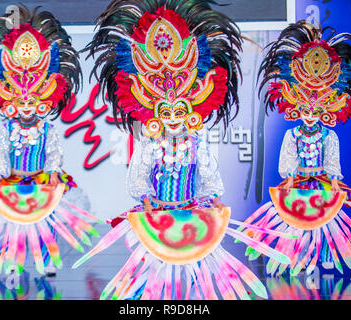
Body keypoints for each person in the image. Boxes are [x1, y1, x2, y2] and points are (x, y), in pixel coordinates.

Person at [72, 0, 292, 300]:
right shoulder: (151, 141)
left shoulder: (196, 138)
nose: (173, 119)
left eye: (179, 112)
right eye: (166, 112)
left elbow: (206, 170)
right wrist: (147, 199)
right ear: (154, 111)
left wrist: (211, 198)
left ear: (191, 108)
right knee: (155, 271)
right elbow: (140, 172)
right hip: (158, 215)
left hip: (191, 214)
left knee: (193, 272)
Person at [0, 5, 98, 276]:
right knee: (13, 226)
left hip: (40, 182)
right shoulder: (7, 128)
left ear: (42, 101)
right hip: (12, 181)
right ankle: (13, 262)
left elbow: (53, 153)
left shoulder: (47, 129)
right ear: (10, 100)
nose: (25, 107)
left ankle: (45, 261)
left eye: (31, 101)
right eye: (20, 102)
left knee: (44, 224)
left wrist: (54, 173)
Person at [240, 21, 351, 276]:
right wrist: (289, 178)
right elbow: (287, 159)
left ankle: (323, 257)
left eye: (316, 110)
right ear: (296, 108)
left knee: (324, 222)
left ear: (326, 110)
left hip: (321, 183)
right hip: (299, 182)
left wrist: (334, 180)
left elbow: (333, 161)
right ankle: (297, 256)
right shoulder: (292, 134)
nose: (310, 115)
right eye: (305, 110)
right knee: (298, 222)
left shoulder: (329, 136)